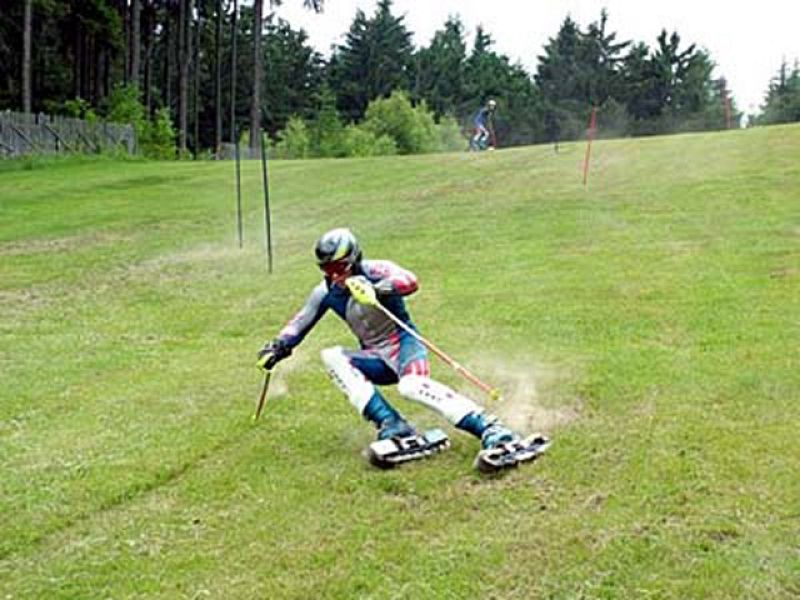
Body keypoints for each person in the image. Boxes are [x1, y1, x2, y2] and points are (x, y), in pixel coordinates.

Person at [256, 227, 521, 468]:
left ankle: (490, 428)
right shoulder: (325, 292)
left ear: (354, 258)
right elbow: (300, 321)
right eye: (327, 270)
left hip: (405, 347)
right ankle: (393, 425)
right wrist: (278, 347)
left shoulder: (376, 270)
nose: (334, 276)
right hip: (375, 356)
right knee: (331, 356)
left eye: (339, 267)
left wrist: (380, 289)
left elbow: (409, 280)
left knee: (411, 387)